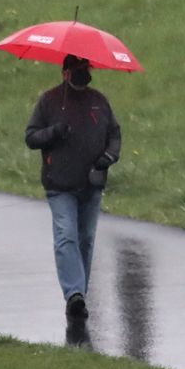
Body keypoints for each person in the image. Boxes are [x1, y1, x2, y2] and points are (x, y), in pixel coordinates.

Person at [25, 54, 121, 319]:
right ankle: (74, 294)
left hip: (92, 184)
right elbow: (31, 137)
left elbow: (114, 134)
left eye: (86, 67)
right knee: (66, 235)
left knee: (86, 240)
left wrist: (109, 157)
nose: (83, 72)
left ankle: (79, 296)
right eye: (78, 68)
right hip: (60, 185)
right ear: (65, 73)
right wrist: (54, 132)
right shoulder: (49, 101)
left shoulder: (99, 102)